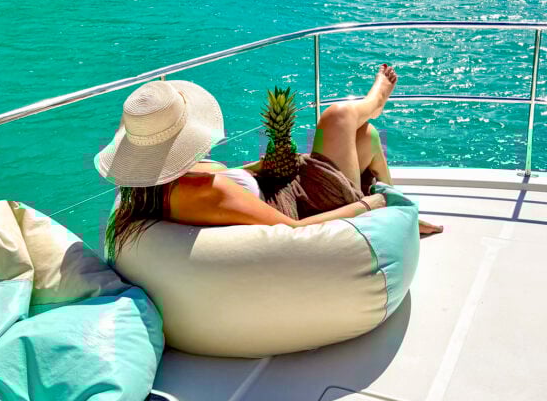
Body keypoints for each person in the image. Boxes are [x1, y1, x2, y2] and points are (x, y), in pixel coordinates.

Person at [96, 65, 443, 261]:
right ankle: (377, 102)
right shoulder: (208, 191)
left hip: (283, 188)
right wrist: (374, 204)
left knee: (365, 135)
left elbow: (233, 187)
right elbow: (293, 231)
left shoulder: (153, 185)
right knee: (339, 116)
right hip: (305, 205)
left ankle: (404, 216)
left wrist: (260, 167)